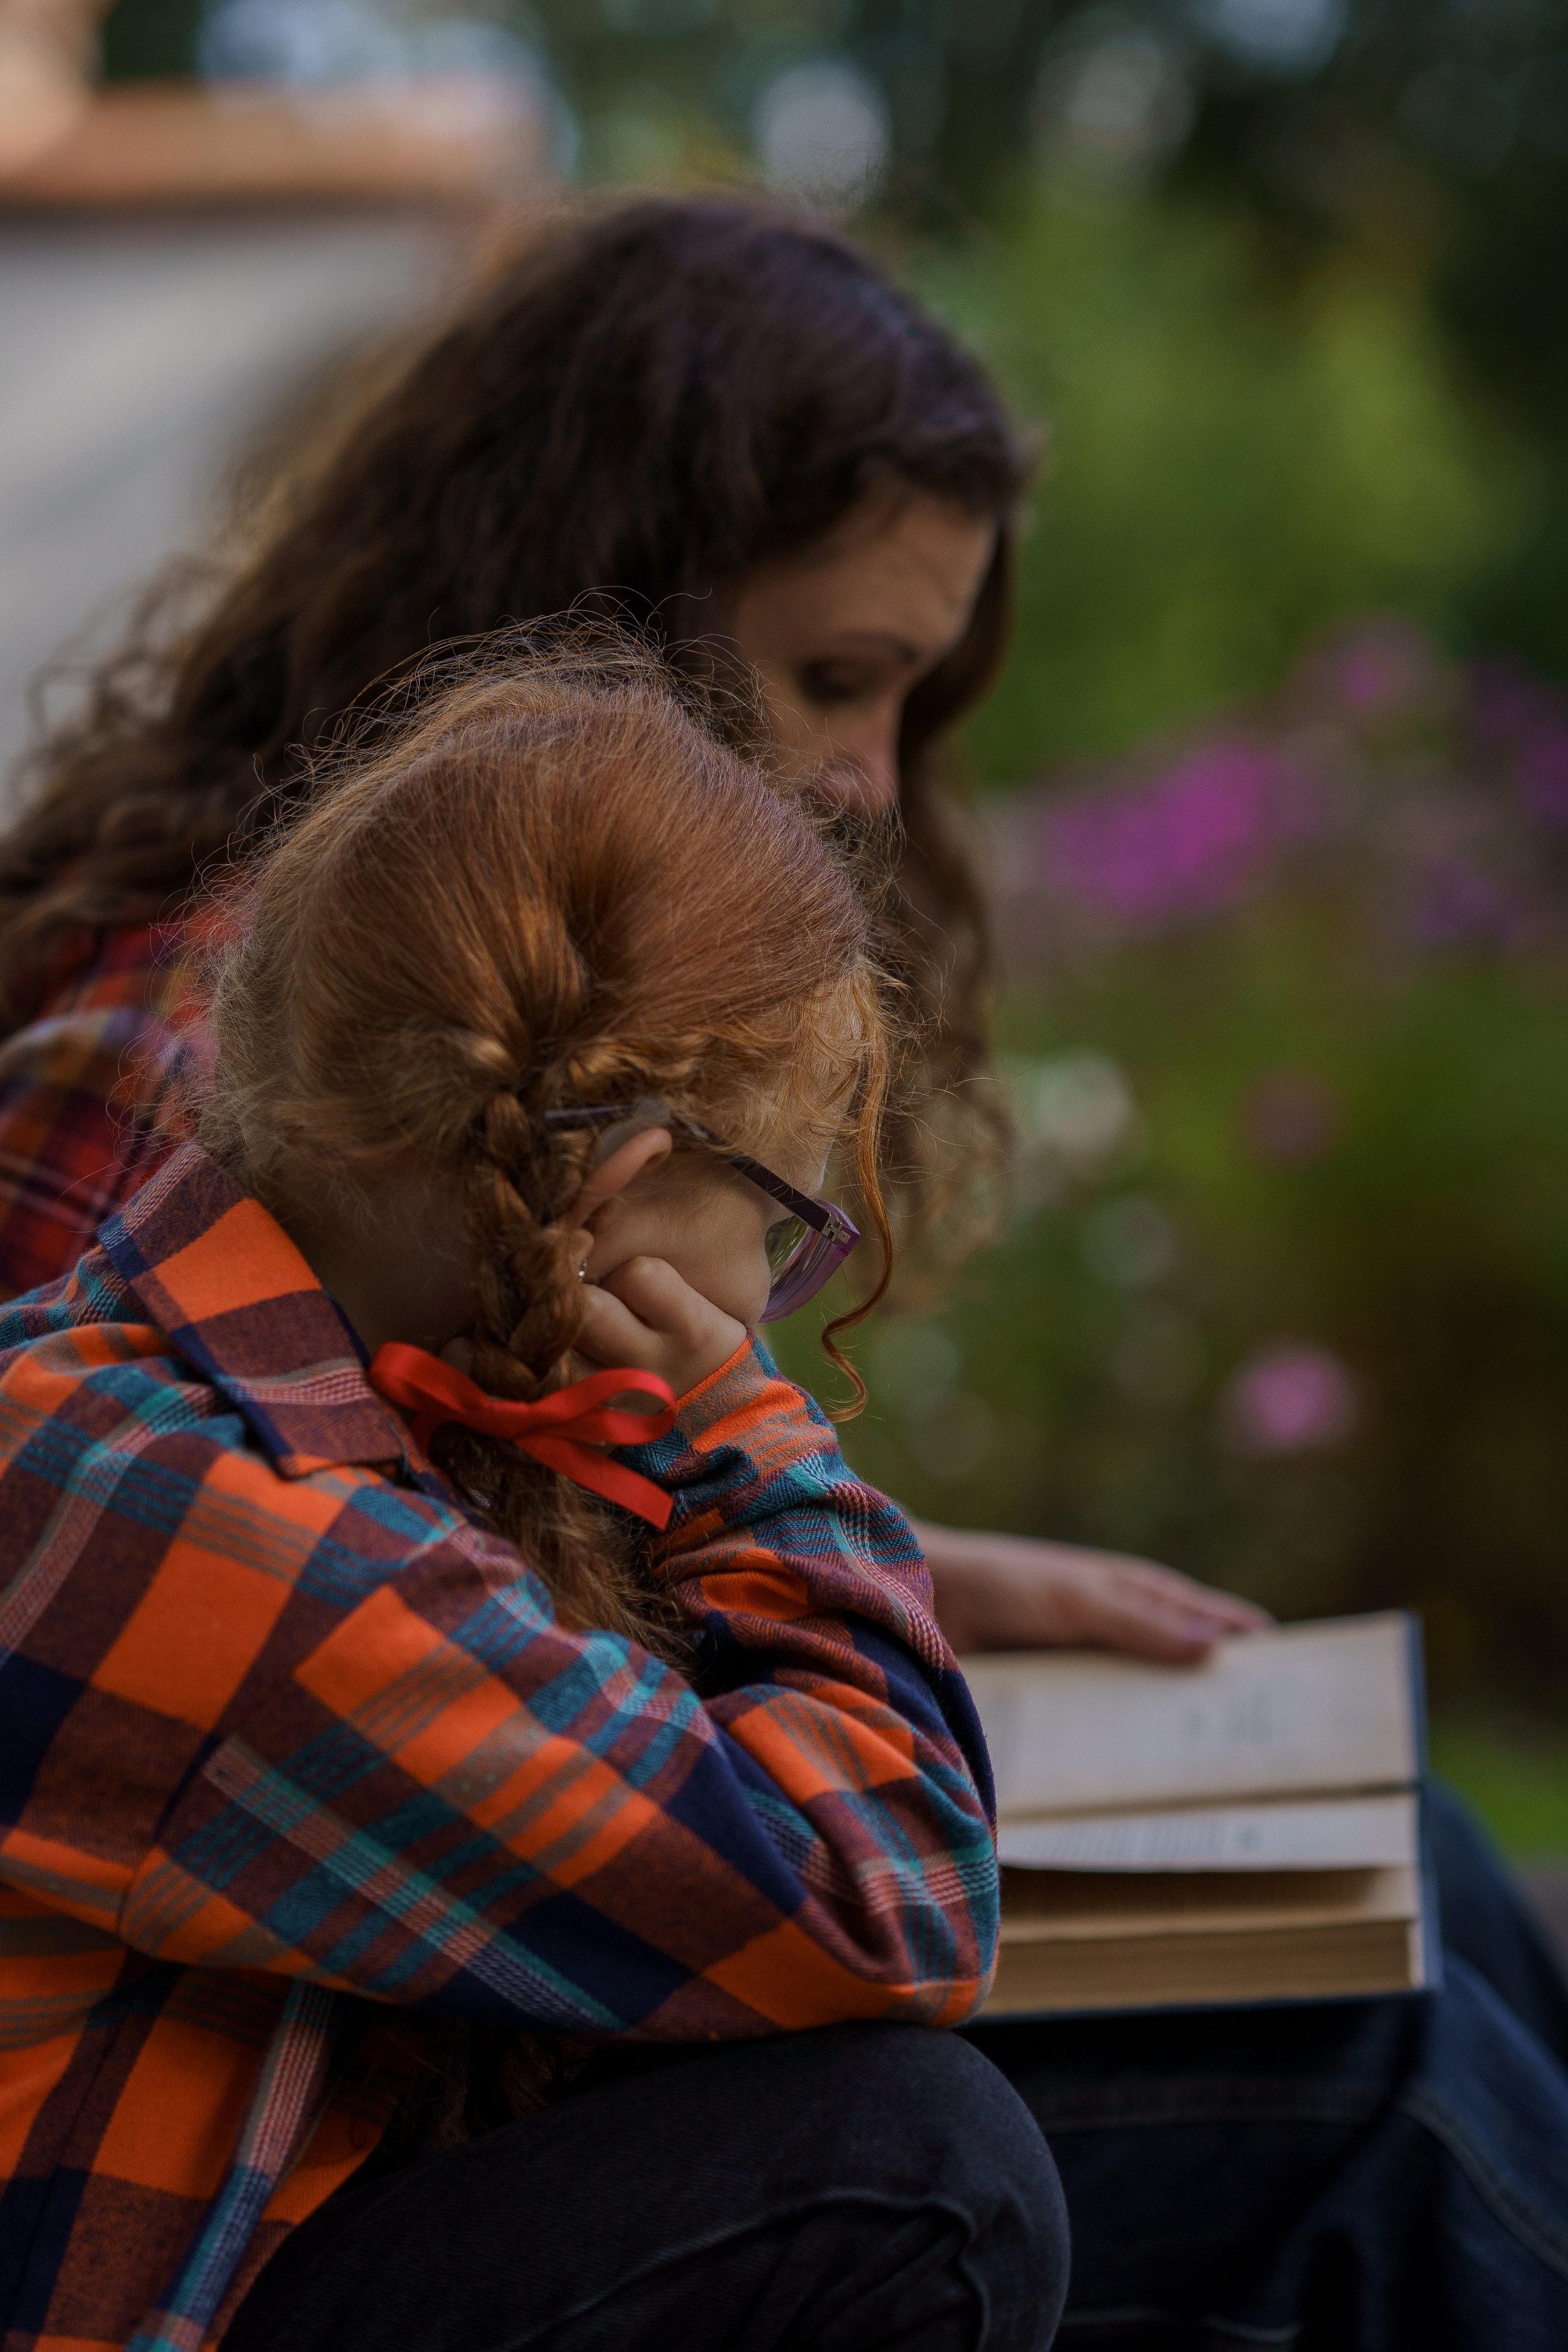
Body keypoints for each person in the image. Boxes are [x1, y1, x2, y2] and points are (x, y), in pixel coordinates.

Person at [1, 194, 1566, 2344]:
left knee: (1421, 1873)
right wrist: (771, 1476)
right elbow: (340, 1611)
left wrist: (900, 1557)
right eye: (837, 679)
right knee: (1341, 2096)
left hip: (482, 1949)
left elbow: (430, 1520)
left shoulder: (304, 1145)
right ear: (597, 620)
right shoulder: (224, 1057)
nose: (869, 781)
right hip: (373, 2102)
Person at [0, 647, 1066, 2352]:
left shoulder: (236, 1403)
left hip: (305, 2222)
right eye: (788, 1223)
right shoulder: (206, 1520)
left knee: (1320, 2112)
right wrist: (755, 1439)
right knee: (922, 2166)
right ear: (628, 1191)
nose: (778, 1285)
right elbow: (897, 1893)